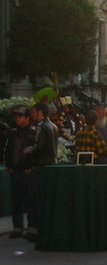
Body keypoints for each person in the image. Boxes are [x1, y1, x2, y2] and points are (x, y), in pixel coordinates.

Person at [25, 103, 58, 244]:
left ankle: (34, 230)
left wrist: (29, 151)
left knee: (34, 199)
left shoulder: (41, 127)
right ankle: (46, 229)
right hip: (51, 166)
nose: (32, 114)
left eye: (34, 111)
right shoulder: (53, 126)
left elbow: (39, 147)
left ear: (40, 112)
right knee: (45, 199)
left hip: (40, 167)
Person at [4, 106, 35, 238]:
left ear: (27, 118)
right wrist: (9, 165)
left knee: (29, 200)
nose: (17, 119)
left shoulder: (32, 133)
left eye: (20, 116)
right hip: (15, 170)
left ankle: (31, 227)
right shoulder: (13, 134)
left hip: (26, 171)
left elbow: (35, 152)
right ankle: (17, 227)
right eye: (16, 117)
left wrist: (30, 167)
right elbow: (8, 150)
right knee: (16, 200)